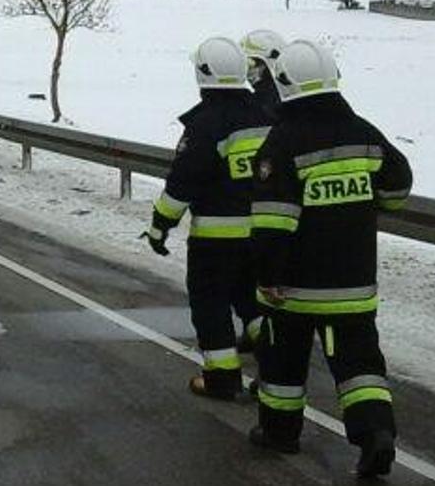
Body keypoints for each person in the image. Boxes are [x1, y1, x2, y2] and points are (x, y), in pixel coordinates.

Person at [247, 39, 412, 479]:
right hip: (354, 287)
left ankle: (279, 432)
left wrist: (266, 277)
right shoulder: (365, 133)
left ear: (286, 84)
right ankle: (376, 433)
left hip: (294, 290)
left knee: (283, 364)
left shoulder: (281, 143)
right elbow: (398, 187)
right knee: (360, 367)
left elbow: (272, 225)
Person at [143, 38, 272, 400]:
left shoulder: (205, 125)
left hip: (216, 241)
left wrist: (159, 227)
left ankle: (222, 378)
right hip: (264, 235)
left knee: (211, 305)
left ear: (203, 74)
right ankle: (275, 374)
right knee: (253, 305)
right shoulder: (266, 117)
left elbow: (181, 185)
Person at [241, 29, 288, 114]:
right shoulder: (251, 101)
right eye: (243, 64)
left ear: (271, 63)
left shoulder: (280, 104)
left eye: (251, 63)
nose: (247, 71)